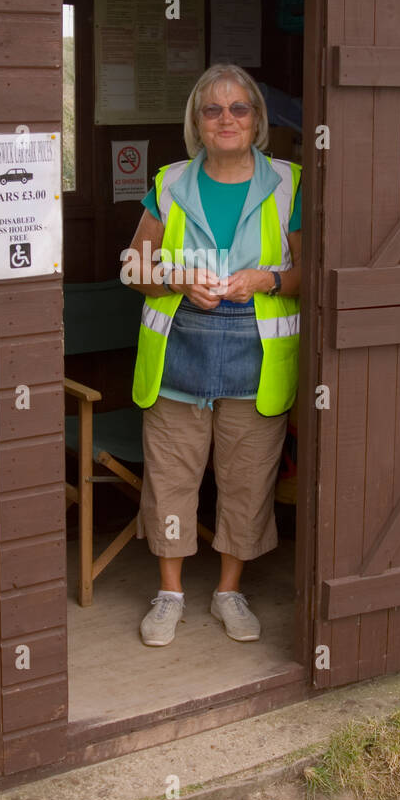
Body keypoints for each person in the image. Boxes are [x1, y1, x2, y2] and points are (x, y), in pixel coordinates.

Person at [121, 62, 302, 647]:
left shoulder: (288, 184)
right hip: (180, 353)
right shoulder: (170, 183)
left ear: (257, 119)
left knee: (247, 478)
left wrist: (266, 280)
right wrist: (176, 278)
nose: (227, 119)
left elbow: (309, 274)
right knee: (172, 477)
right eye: (213, 109)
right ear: (197, 122)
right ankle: (169, 593)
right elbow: (133, 267)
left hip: (258, 356)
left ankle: (229, 591)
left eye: (239, 108)